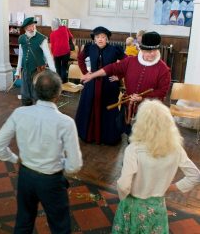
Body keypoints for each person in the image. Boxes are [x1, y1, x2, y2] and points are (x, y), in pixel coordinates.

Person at [0, 70, 83, 234]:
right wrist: (63, 166)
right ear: (58, 94)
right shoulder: (66, 122)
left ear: (34, 92)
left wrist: (15, 159)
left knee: (23, 222)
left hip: (26, 176)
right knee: (60, 226)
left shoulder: (20, 113)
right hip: (52, 180)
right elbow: (75, 164)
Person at [112, 99, 200, 233]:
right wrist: (168, 188)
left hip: (133, 205)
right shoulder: (176, 149)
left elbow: (124, 185)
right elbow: (195, 175)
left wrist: (123, 197)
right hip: (158, 206)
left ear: (141, 124)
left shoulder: (134, 149)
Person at [81, 31, 171, 136]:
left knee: (145, 136)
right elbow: (112, 68)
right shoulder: (130, 61)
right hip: (128, 107)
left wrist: (142, 98)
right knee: (127, 131)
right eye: (147, 51)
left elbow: (162, 92)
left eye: (154, 51)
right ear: (141, 49)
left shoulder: (163, 69)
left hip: (149, 110)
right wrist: (92, 75)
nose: (151, 54)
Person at [75, 26, 125, 145]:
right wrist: (85, 73)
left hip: (109, 85)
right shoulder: (90, 48)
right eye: (98, 37)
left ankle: (107, 137)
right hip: (92, 84)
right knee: (89, 106)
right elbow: (80, 58)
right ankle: (89, 135)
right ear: (94, 39)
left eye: (103, 37)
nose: (100, 39)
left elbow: (126, 63)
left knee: (107, 109)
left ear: (107, 38)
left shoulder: (114, 49)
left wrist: (119, 76)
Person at [15, 16, 56, 106]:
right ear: (25, 28)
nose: (32, 28)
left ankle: (38, 112)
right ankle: (27, 112)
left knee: (37, 94)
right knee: (25, 95)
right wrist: (17, 71)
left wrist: (53, 71)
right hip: (25, 70)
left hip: (38, 70)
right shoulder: (22, 39)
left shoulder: (41, 39)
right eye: (29, 27)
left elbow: (48, 56)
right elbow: (20, 55)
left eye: (33, 25)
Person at [49, 17, 73, 83]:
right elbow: (71, 37)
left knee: (58, 68)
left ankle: (58, 83)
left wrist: (52, 54)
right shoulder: (64, 28)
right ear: (59, 22)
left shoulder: (52, 34)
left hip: (56, 53)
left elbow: (52, 46)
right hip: (66, 51)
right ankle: (64, 83)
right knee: (64, 68)